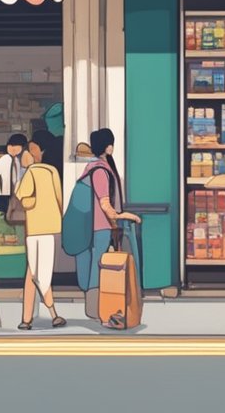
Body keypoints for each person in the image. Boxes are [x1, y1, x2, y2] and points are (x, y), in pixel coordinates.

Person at [66, 130, 142, 320]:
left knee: (87, 263)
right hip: (99, 226)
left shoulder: (92, 168)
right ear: (106, 146)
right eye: (110, 143)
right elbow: (105, 204)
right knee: (97, 264)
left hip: (85, 225)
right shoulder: (100, 170)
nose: (112, 146)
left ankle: (92, 305)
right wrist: (121, 215)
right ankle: (94, 307)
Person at [15, 130, 66, 330]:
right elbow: (59, 199)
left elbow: (20, 193)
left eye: (32, 147)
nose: (29, 150)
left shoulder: (32, 171)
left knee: (35, 272)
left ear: (39, 149)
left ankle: (34, 318)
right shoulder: (52, 171)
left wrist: (23, 170)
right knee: (37, 272)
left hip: (36, 227)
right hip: (52, 226)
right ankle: (39, 316)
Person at [0, 134, 28, 215]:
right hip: (3, 193)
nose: (13, 148)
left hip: (13, 193)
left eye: (16, 146)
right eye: (11, 145)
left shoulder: (17, 161)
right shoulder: (3, 159)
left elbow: (17, 178)